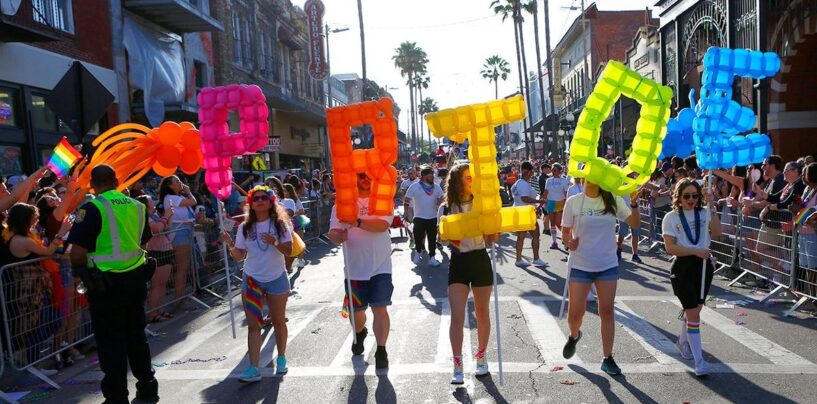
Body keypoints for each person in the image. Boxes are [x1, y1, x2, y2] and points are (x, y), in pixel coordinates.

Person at [67, 165, 158, 403]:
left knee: (110, 341)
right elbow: (144, 243)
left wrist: (83, 271)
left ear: (93, 185)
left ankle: (117, 396)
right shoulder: (137, 206)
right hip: (136, 279)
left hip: (105, 284)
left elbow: (76, 253)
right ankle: (148, 388)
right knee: (137, 336)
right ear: (117, 180)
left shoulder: (92, 208)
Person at [561, 180, 640, 375]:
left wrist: (635, 204)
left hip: (607, 264)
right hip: (580, 265)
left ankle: (607, 357)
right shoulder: (574, 201)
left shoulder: (612, 199)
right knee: (575, 314)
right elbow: (564, 232)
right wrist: (569, 242)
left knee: (607, 310)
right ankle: (574, 335)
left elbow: (634, 223)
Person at [221, 186, 293, 382]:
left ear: (271, 202)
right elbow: (239, 255)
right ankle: (253, 368)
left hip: (276, 278)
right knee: (254, 326)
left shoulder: (280, 225)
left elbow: (289, 250)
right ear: (251, 203)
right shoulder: (245, 227)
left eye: (264, 197)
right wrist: (229, 244)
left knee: (278, 322)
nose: (259, 200)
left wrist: (274, 242)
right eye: (256, 198)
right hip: (252, 280)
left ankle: (281, 358)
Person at [437, 163, 498, 384]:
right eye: (467, 176)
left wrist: (491, 231)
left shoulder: (482, 203)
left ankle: (481, 356)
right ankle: (457, 363)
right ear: (457, 180)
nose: (472, 179)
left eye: (472, 176)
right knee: (458, 315)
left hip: (480, 258)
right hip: (459, 261)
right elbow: (442, 239)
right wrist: (450, 235)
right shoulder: (447, 207)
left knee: (482, 312)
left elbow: (494, 237)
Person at [328, 173, 393, 369]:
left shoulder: (383, 200)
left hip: (381, 266)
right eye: (361, 176)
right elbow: (332, 233)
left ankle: (381, 350)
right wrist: (338, 236)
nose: (366, 179)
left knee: (380, 308)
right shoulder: (341, 205)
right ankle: (360, 332)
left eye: (369, 175)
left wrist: (356, 222)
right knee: (357, 314)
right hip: (355, 270)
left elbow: (383, 225)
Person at [661, 178, 722, 376]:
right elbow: (670, 247)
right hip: (682, 268)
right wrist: (695, 251)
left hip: (703, 267)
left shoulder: (704, 213)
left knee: (695, 309)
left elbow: (718, 232)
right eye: (686, 196)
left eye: (695, 196)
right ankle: (699, 362)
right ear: (678, 197)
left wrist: (712, 205)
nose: (691, 199)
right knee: (693, 313)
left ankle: (682, 341)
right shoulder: (671, 217)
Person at [158, 175, 197, 310]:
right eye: (177, 182)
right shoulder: (171, 198)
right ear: (170, 185)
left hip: (185, 231)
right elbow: (192, 202)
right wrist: (188, 192)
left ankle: (181, 297)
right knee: (182, 267)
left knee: (184, 267)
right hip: (179, 232)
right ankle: (178, 299)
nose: (181, 184)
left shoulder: (176, 197)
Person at [136, 195, 175, 323]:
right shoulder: (145, 216)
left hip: (165, 249)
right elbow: (157, 229)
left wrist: (169, 215)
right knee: (156, 285)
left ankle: (160, 309)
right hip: (155, 251)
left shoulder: (155, 216)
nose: (153, 203)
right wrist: (166, 216)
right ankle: (152, 313)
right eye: (150, 201)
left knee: (163, 284)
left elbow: (167, 227)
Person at [405, 166, 444, 267]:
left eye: (432, 176)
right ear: (423, 176)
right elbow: (407, 199)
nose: (432, 178)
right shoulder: (414, 186)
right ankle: (418, 252)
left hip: (433, 217)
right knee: (418, 236)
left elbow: (442, 198)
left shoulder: (436, 187)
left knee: (432, 239)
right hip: (419, 217)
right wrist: (406, 212)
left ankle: (432, 258)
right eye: (430, 176)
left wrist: (440, 202)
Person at [512, 161, 545, 268]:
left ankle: (519, 259)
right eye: (532, 172)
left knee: (521, 237)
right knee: (535, 235)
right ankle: (535, 258)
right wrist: (539, 202)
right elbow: (524, 198)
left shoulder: (518, 183)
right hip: (525, 213)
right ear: (530, 172)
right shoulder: (523, 184)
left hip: (520, 211)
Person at [543, 163, 570, 249]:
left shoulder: (564, 180)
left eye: (555, 170)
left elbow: (566, 193)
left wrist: (568, 203)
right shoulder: (549, 180)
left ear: (559, 171)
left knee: (559, 223)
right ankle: (554, 242)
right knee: (552, 223)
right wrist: (542, 201)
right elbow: (546, 192)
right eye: (552, 170)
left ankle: (566, 238)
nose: (553, 171)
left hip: (560, 203)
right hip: (550, 203)